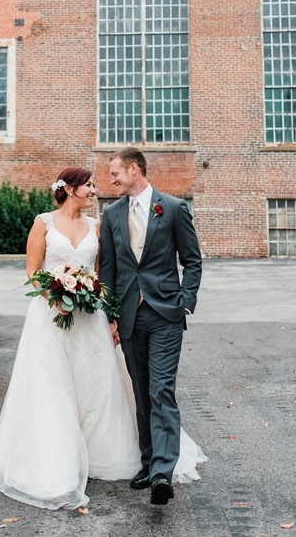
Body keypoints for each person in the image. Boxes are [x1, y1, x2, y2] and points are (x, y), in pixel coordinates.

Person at [0, 165, 206, 510]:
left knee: (98, 385)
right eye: (88, 185)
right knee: (52, 386)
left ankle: (111, 454)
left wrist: (91, 295)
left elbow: (104, 271)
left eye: (96, 184)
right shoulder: (43, 223)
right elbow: (32, 270)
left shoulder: (97, 226)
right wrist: (55, 295)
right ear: (69, 189)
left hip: (89, 315)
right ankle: (57, 459)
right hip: (50, 318)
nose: (95, 190)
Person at [99, 147, 203, 506]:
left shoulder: (173, 209)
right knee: (142, 393)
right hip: (129, 315)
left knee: (161, 390)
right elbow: (109, 270)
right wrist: (110, 315)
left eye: (115, 172)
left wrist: (184, 303)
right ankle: (147, 463)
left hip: (165, 315)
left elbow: (192, 261)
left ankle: (162, 471)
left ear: (133, 169)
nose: (110, 178)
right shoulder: (111, 214)